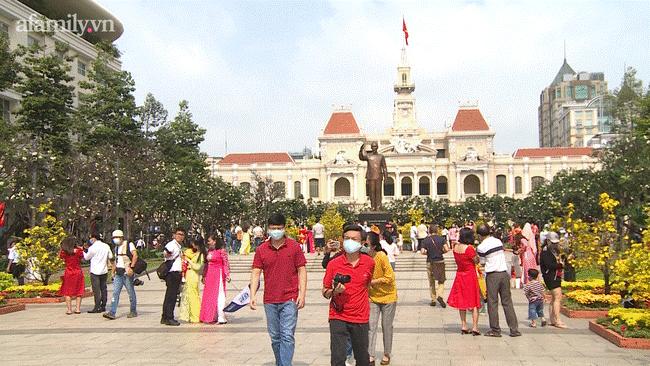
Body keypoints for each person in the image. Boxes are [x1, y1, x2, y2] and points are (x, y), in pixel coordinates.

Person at [250, 213, 307, 366]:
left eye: (279, 228)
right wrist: (252, 295)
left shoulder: (294, 247)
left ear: (284, 228)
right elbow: (256, 272)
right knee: (275, 337)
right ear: (268, 229)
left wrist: (302, 293)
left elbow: (301, 270)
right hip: (270, 300)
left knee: (287, 335)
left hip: (289, 298)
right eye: (273, 228)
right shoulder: (262, 249)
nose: (276, 231)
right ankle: (280, 362)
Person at [322, 224, 375, 366]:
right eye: (347, 238)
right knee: (338, 359)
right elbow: (325, 291)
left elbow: (367, 285)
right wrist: (335, 291)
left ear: (362, 243)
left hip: (360, 316)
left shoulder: (369, 262)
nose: (350, 241)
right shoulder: (333, 264)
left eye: (354, 239)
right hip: (338, 315)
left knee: (362, 358)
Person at [476, 223, 521, 337]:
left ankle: (495, 330)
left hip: (493, 275)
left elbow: (482, 262)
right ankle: (514, 329)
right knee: (507, 302)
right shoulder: (498, 241)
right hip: (504, 274)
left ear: (480, 235)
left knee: (492, 302)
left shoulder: (481, 247)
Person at [365, 231, 396, 366]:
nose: (363, 245)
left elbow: (390, 277)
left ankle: (386, 353)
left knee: (386, 326)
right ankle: (370, 354)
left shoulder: (382, 256)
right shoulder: (364, 258)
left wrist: (372, 282)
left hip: (388, 296)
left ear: (373, 244)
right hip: (372, 297)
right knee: (371, 327)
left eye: (365, 243)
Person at [446, 228, 481, 335]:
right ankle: (475, 327)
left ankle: (464, 325)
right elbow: (476, 261)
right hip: (470, 275)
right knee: (474, 301)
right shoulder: (469, 249)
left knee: (462, 301)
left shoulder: (455, 247)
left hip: (460, 274)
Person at [104, 230, 138, 320]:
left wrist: (132, 267)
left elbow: (135, 256)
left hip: (127, 272)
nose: (115, 240)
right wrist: (112, 272)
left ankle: (133, 310)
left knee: (130, 292)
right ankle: (112, 312)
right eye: (114, 238)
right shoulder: (116, 248)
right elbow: (116, 260)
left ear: (121, 237)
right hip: (119, 273)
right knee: (115, 292)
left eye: (116, 238)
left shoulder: (129, 245)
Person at [540, 232, 569, 329]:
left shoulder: (553, 250)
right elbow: (549, 265)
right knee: (558, 298)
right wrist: (560, 265)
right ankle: (558, 320)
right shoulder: (545, 251)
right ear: (548, 241)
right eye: (552, 242)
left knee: (553, 298)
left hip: (556, 275)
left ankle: (552, 319)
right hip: (551, 277)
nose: (554, 244)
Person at [200, 235, 231, 324]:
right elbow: (206, 264)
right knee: (209, 295)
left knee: (219, 295)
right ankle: (210, 316)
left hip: (218, 274)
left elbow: (225, 263)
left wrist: (227, 274)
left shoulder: (221, 251)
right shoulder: (209, 251)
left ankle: (221, 317)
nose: (208, 243)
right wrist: (204, 275)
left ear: (215, 241)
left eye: (210, 241)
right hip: (210, 275)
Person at [84, 232, 113, 313]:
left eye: (91, 238)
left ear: (94, 238)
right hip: (104, 270)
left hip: (95, 270)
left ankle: (97, 306)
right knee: (103, 288)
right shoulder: (106, 246)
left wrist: (83, 251)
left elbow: (86, 257)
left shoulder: (92, 248)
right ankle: (103, 305)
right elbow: (110, 256)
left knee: (96, 289)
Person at [179, 236, 205, 323]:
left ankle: (196, 316)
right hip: (189, 274)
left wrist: (189, 261)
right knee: (189, 296)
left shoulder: (200, 255)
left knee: (193, 296)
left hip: (193, 275)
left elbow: (197, 267)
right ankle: (191, 315)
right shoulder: (195, 253)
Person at [56, 236, 85, 315]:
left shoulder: (64, 252)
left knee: (67, 292)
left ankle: (69, 309)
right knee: (79, 291)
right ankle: (77, 309)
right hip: (78, 272)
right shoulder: (78, 251)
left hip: (68, 272)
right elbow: (82, 259)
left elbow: (61, 257)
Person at [420, 225, 448, 307]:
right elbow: (446, 249)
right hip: (440, 261)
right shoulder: (442, 239)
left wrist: (428, 253)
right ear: (437, 231)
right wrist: (442, 252)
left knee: (431, 281)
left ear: (429, 231)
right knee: (441, 280)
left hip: (430, 262)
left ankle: (433, 299)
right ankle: (440, 295)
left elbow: (422, 251)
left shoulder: (426, 240)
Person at [161, 228, 184, 326]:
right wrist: (167, 253)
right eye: (178, 234)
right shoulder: (172, 245)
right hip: (173, 273)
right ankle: (169, 317)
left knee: (170, 295)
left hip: (176, 273)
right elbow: (167, 252)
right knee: (171, 296)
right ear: (174, 235)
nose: (180, 236)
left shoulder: (178, 246)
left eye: (182, 235)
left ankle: (165, 316)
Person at [359, 142, 388, 211]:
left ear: (377, 147)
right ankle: (373, 207)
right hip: (371, 176)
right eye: (373, 146)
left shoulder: (381, 156)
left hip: (378, 176)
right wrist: (360, 151)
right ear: (371, 148)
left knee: (378, 192)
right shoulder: (368, 156)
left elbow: (384, 167)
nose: (374, 148)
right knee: (372, 192)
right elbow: (361, 157)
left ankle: (378, 207)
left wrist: (386, 177)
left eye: (375, 146)